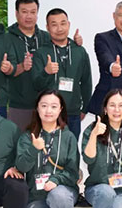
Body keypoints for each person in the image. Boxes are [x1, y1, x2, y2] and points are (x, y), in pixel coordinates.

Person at [15, 90, 80, 208]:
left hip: (62, 190)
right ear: (37, 108)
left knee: (59, 196)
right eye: (44, 106)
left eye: (53, 106)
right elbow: (21, 167)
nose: (48, 110)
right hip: (36, 195)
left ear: (60, 109)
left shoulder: (68, 136)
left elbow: (73, 172)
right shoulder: (27, 136)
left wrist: (56, 180)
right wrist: (33, 149)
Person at [33, 8, 92, 139]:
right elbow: (36, 85)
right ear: (47, 28)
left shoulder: (80, 51)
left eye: (63, 23)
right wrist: (46, 72)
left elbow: (86, 82)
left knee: (71, 148)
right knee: (49, 148)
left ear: (69, 25)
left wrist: (85, 108)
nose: (59, 28)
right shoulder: (41, 52)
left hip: (73, 113)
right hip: (49, 113)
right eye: (54, 24)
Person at [6, 0, 51, 131]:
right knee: (18, 142)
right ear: (16, 13)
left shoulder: (46, 37)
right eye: (24, 12)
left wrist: (76, 42)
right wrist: (21, 66)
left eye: (33, 12)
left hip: (45, 105)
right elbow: (6, 70)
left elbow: (63, 44)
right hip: (18, 105)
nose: (29, 16)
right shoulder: (6, 38)